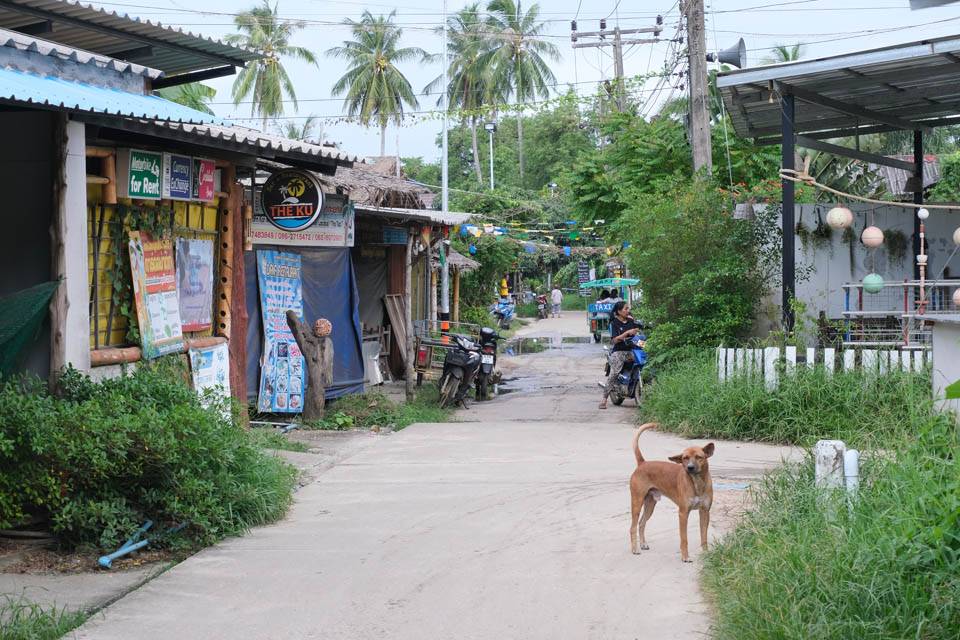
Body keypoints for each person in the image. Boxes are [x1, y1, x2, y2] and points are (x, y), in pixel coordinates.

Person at [600, 301, 642, 410]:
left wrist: (637, 330)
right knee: (614, 373)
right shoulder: (614, 323)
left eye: (628, 308)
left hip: (632, 350)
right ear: (619, 311)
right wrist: (626, 333)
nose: (628, 311)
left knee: (643, 362)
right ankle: (604, 399)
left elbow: (638, 330)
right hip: (619, 351)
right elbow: (614, 340)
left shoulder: (631, 320)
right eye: (626, 309)